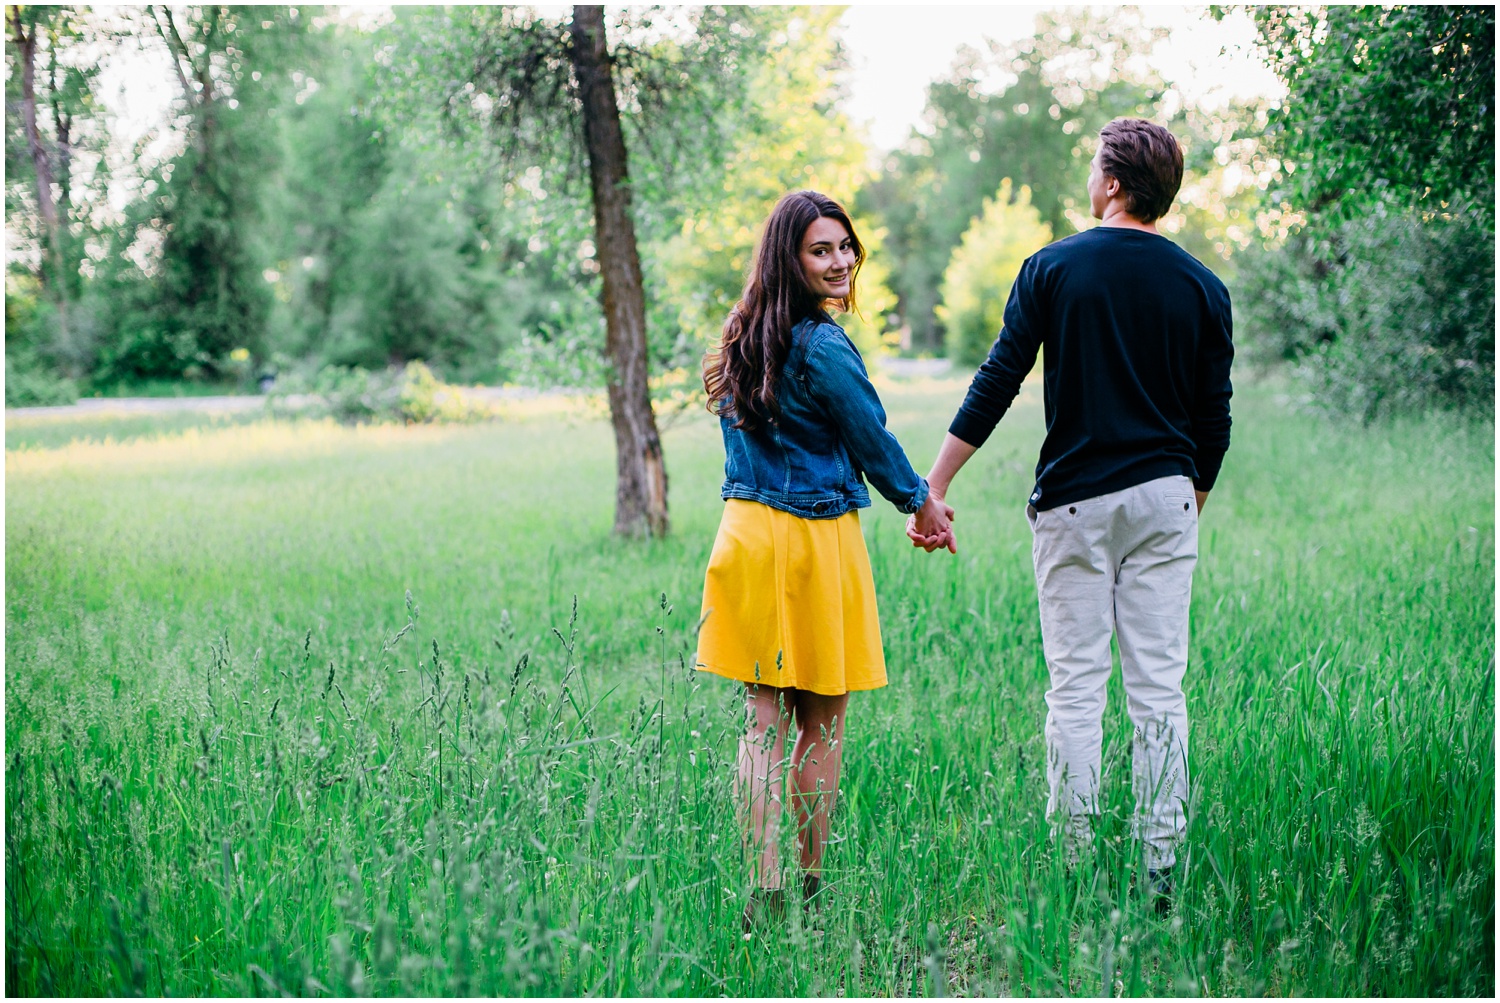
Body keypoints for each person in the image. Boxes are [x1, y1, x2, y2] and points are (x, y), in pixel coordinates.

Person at [909, 118, 1233, 912]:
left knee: (1077, 688)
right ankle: (1161, 872)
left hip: (1076, 503)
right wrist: (1186, 497)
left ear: (1113, 183)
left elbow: (998, 379)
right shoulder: (1203, 286)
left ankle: (1076, 864)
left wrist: (934, 485)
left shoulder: (1053, 267)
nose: (1090, 178)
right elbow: (1212, 416)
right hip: (1165, 495)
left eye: (1095, 167)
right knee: (1161, 690)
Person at [697, 190, 954, 931]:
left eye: (845, 246)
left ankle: (763, 881)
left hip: (744, 535)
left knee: (761, 723)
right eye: (821, 250)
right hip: (810, 539)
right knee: (822, 722)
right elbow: (871, 439)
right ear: (791, 257)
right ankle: (808, 885)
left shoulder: (741, 334)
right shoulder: (823, 344)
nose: (840, 261)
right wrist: (922, 503)